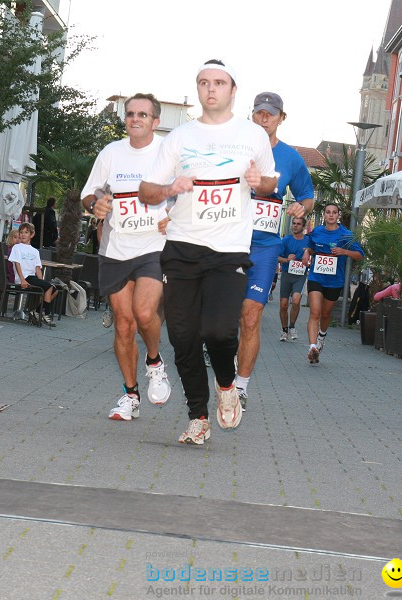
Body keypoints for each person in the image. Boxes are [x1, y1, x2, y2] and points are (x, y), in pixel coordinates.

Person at [139, 59, 277, 445]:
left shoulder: (253, 135)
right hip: (182, 247)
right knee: (182, 338)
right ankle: (198, 417)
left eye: (219, 82)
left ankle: (228, 385)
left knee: (217, 331)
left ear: (233, 90)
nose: (210, 89)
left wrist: (258, 182)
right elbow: (147, 191)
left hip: (229, 249)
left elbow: (268, 183)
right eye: (203, 83)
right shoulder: (179, 138)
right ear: (198, 90)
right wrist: (170, 189)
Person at [80, 93, 173, 421]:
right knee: (123, 324)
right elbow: (88, 194)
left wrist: (174, 217)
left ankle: (154, 362)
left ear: (155, 121)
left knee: (144, 313)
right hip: (116, 248)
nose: (135, 119)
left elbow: (188, 195)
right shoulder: (111, 153)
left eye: (143, 115)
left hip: (154, 246)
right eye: (131, 113)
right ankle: (130, 395)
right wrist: (96, 205)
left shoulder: (167, 152)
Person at [235, 92, 314, 409]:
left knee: (251, 316)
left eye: (271, 113)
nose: (264, 117)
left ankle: (241, 386)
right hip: (229, 242)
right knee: (225, 316)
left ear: (282, 118)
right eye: (259, 112)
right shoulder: (236, 149)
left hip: (265, 246)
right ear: (251, 115)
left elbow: (308, 196)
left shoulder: (292, 158)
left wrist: (300, 207)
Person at [301, 202, 364, 364]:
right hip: (316, 277)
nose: (331, 215)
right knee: (315, 311)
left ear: (338, 215)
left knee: (326, 313)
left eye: (334, 212)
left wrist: (345, 252)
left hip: (335, 280)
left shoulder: (346, 234)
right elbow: (311, 247)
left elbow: (359, 255)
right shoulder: (317, 232)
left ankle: (321, 336)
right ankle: (312, 347)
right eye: (328, 212)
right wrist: (307, 253)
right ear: (324, 215)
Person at [9, 223, 58, 327]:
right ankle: (46, 314)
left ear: (32, 234)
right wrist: (22, 280)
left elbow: (37, 268)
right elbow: (17, 264)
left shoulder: (35, 251)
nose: (23, 235)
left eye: (26, 232)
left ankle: (36, 311)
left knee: (54, 290)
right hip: (24, 278)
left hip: (32, 277)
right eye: (21, 232)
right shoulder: (17, 248)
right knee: (48, 287)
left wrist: (42, 283)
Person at [277, 216, 310, 341]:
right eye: (294, 223)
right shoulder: (286, 240)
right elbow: (277, 257)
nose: (295, 226)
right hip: (286, 274)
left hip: (300, 275)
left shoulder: (308, 241)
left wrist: (309, 261)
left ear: (303, 227)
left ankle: (292, 327)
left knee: (296, 301)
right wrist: (286, 260)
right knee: (283, 305)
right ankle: (284, 330)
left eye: (298, 224)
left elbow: (314, 255)